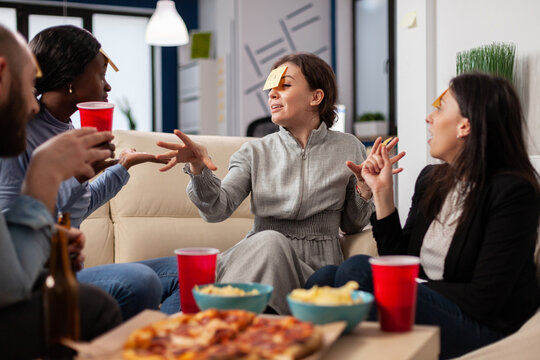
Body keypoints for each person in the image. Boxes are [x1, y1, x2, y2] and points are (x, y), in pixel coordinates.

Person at [306, 72, 540, 359]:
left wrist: (407, 286)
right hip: (432, 304)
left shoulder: (513, 192)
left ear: (465, 125)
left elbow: (487, 298)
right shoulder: (432, 179)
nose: (429, 118)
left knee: (359, 272)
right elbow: (400, 256)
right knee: (326, 277)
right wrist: (382, 193)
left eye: (440, 108)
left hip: (483, 326)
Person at [155, 52, 405, 314]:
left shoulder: (348, 146)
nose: (272, 94)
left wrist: (364, 190)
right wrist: (197, 169)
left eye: (284, 86)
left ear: (315, 97)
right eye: (271, 88)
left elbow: (352, 225)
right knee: (271, 242)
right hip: (261, 258)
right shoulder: (253, 151)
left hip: (316, 270)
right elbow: (217, 209)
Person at [0, 25, 179, 319]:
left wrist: (123, 167)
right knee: (140, 281)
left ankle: (169, 345)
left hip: (54, 271)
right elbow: (12, 234)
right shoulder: (17, 134)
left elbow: (76, 205)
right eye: (101, 75)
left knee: (181, 271)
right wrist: (63, 179)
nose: (108, 87)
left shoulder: (68, 129)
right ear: (71, 79)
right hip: (36, 278)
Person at [0, 24, 122, 358]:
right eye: (28, 86)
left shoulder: (67, 132)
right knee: (93, 306)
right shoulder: (29, 141)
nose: (34, 105)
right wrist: (45, 175)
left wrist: (46, 237)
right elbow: (10, 285)